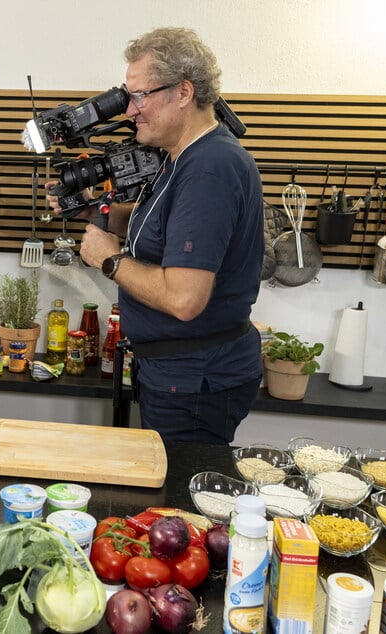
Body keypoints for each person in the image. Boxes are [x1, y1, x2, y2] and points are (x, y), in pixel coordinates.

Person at [51, 28, 264, 444]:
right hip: (177, 375)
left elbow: (184, 299)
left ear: (183, 92)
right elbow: (162, 226)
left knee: (178, 506)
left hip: (193, 382)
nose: (130, 110)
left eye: (140, 96)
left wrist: (110, 260)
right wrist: (98, 212)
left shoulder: (209, 168)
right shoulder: (181, 158)